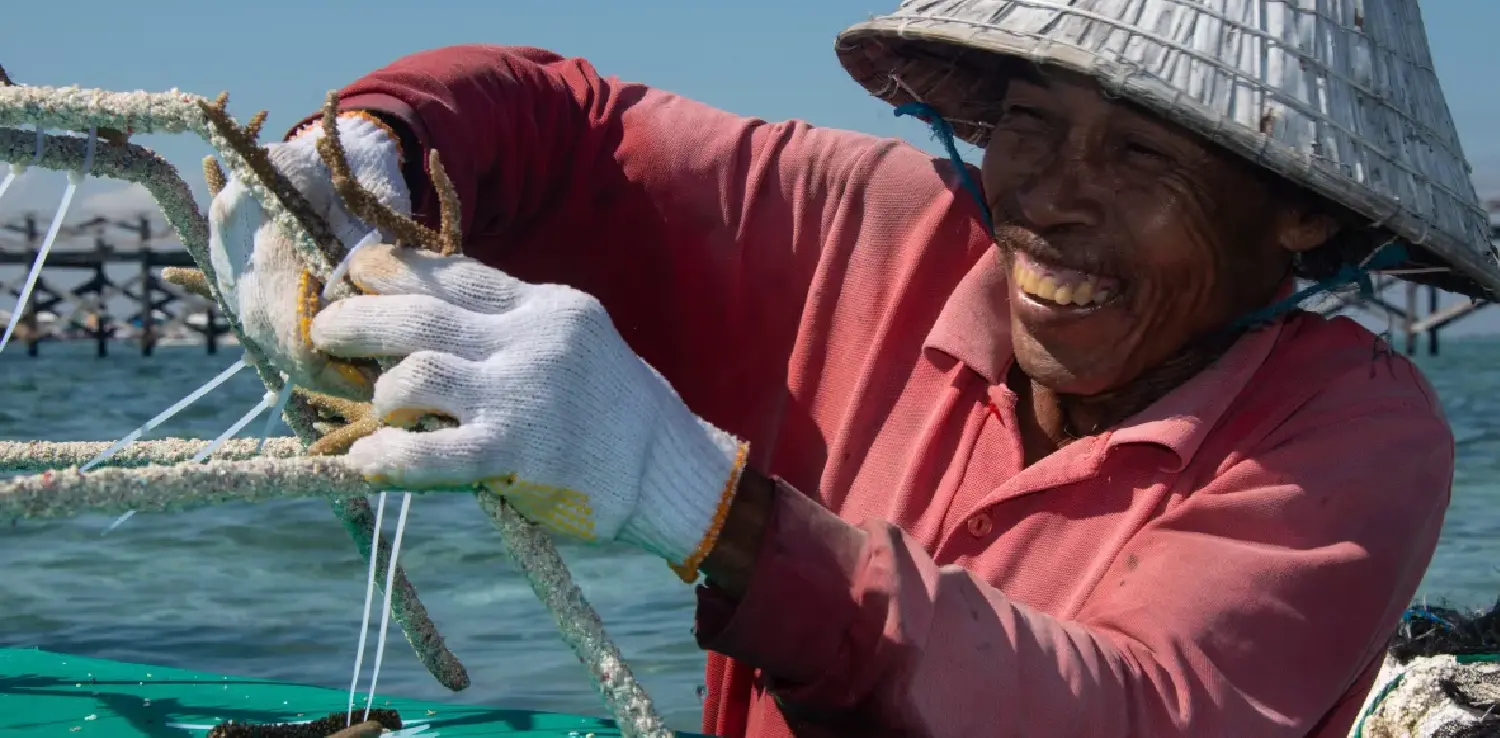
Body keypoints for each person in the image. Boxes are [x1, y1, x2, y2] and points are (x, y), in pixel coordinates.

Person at [206, 1, 1496, 735]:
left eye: (1147, 158)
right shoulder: (881, 228)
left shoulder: (1355, 438)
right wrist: (372, 148)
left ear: (1304, 215)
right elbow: (575, 126)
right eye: (1031, 123)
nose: (1050, 202)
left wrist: (706, 504)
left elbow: (1135, 714)